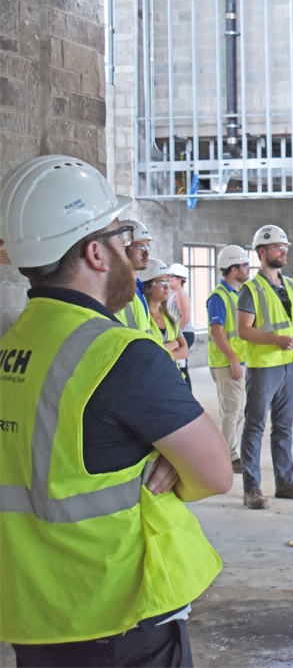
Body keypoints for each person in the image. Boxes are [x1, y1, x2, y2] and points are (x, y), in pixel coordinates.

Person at [0, 155, 232, 666]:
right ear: (95, 253)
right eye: (120, 235)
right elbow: (215, 474)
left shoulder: (12, 343)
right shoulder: (118, 353)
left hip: (32, 615)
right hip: (117, 614)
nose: (133, 251)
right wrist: (170, 455)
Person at [237, 224, 293, 510]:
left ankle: (285, 482)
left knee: (284, 427)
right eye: (277, 247)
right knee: (255, 426)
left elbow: (291, 322)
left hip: (288, 366)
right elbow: (244, 330)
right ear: (261, 252)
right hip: (264, 367)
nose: (283, 251)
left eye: (285, 247)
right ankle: (252, 489)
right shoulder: (251, 289)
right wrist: (277, 341)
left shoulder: (290, 285)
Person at [208, 245, 251, 474]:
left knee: (238, 410)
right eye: (245, 265)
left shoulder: (237, 295)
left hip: (238, 362)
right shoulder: (219, 297)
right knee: (231, 412)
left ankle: (232, 452)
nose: (248, 269)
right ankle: (228, 457)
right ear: (234, 269)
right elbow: (217, 332)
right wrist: (233, 359)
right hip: (226, 363)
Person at [113, 217, 158, 341]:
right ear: (121, 248)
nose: (147, 254)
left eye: (147, 246)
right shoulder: (115, 291)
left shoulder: (139, 286)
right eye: (140, 247)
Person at [142, 258, 191, 364]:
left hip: (172, 377)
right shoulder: (141, 319)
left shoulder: (170, 318)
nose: (166, 287)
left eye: (167, 281)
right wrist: (173, 344)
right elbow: (149, 355)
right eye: (161, 282)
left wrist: (163, 356)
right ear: (148, 288)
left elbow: (185, 351)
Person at [167, 262, 196, 387]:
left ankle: (187, 393)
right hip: (180, 333)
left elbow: (185, 317)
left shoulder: (180, 294)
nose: (168, 280)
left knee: (181, 365)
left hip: (184, 333)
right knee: (179, 365)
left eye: (171, 277)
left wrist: (176, 335)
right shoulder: (173, 294)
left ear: (179, 279)